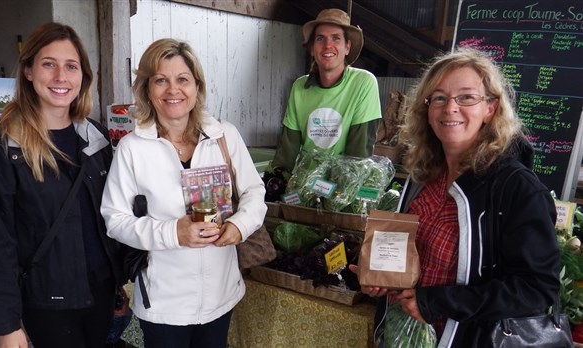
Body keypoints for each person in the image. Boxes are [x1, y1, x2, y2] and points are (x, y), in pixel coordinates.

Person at [352, 48, 561, 346]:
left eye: (466, 97)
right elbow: (412, 256)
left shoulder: (517, 188)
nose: (450, 107)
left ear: (490, 108)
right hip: (404, 336)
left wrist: (436, 302)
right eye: (438, 97)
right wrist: (383, 275)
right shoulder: (423, 175)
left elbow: (536, 290)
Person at [0, 22, 125, 347]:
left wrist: (120, 280)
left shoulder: (94, 136)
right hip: (47, 302)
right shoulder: (0, 144)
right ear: (28, 71)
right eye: (48, 64)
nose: (60, 77)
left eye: (71, 66)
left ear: (83, 76)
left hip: (101, 292)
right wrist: (7, 325)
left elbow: (107, 216)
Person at [100, 38, 267, 348]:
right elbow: (115, 219)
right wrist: (173, 232)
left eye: (182, 80)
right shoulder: (133, 148)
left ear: (197, 87)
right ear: (147, 88)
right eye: (161, 80)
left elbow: (254, 191)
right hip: (164, 304)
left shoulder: (223, 135)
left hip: (221, 294)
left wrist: (240, 225)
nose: (172, 90)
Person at [265, 8, 382, 200]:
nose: (328, 45)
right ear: (312, 48)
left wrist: (338, 193)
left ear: (347, 47)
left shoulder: (363, 83)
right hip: (306, 184)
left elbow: (358, 155)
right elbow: (288, 149)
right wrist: (275, 180)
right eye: (320, 39)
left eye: (336, 38)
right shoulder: (300, 87)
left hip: (345, 187)